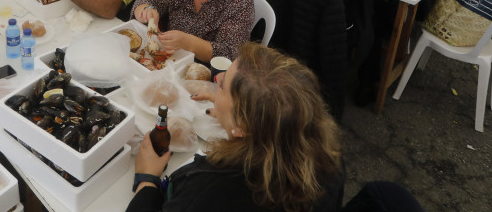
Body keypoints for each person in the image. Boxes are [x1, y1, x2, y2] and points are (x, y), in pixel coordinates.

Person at [128, 43, 343, 212]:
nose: (217, 77)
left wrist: (147, 179)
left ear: (243, 127)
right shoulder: (330, 161)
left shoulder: (211, 190)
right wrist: (228, 111)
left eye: (222, 86)